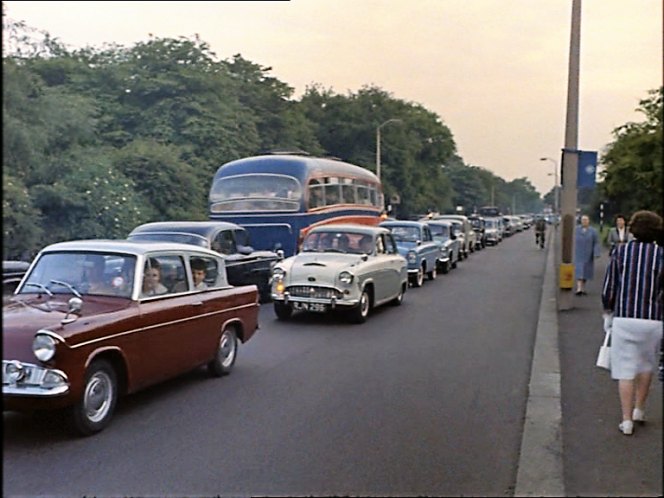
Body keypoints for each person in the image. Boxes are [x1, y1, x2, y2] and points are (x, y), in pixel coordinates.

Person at [601, 210, 663, 435]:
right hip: (654, 319)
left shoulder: (621, 252)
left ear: (633, 229)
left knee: (625, 367)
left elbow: (610, 287)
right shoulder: (661, 254)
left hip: (625, 317)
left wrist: (608, 311)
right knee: (646, 364)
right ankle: (639, 409)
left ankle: (626, 421)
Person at [574, 214, 600, 295]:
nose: (584, 222)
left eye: (586, 220)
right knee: (579, 271)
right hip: (578, 253)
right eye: (583, 220)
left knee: (586, 272)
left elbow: (596, 243)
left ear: (588, 221)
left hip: (588, 254)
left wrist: (596, 253)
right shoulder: (576, 230)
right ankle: (579, 288)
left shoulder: (593, 231)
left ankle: (583, 288)